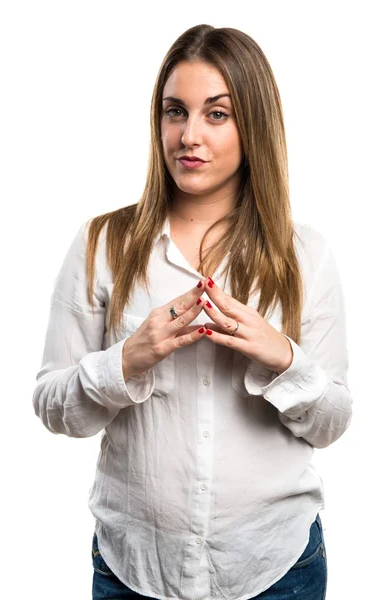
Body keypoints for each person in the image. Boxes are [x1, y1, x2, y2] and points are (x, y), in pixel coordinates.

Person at [32, 23, 352, 600]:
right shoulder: (101, 244)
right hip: (134, 569)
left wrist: (283, 358)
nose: (188, 135)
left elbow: (331, 422)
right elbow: (54, 407)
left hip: (276, 568)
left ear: (253, 124)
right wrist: (124, 362)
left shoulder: (305, 254)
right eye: (174, 111)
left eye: (217, 114)